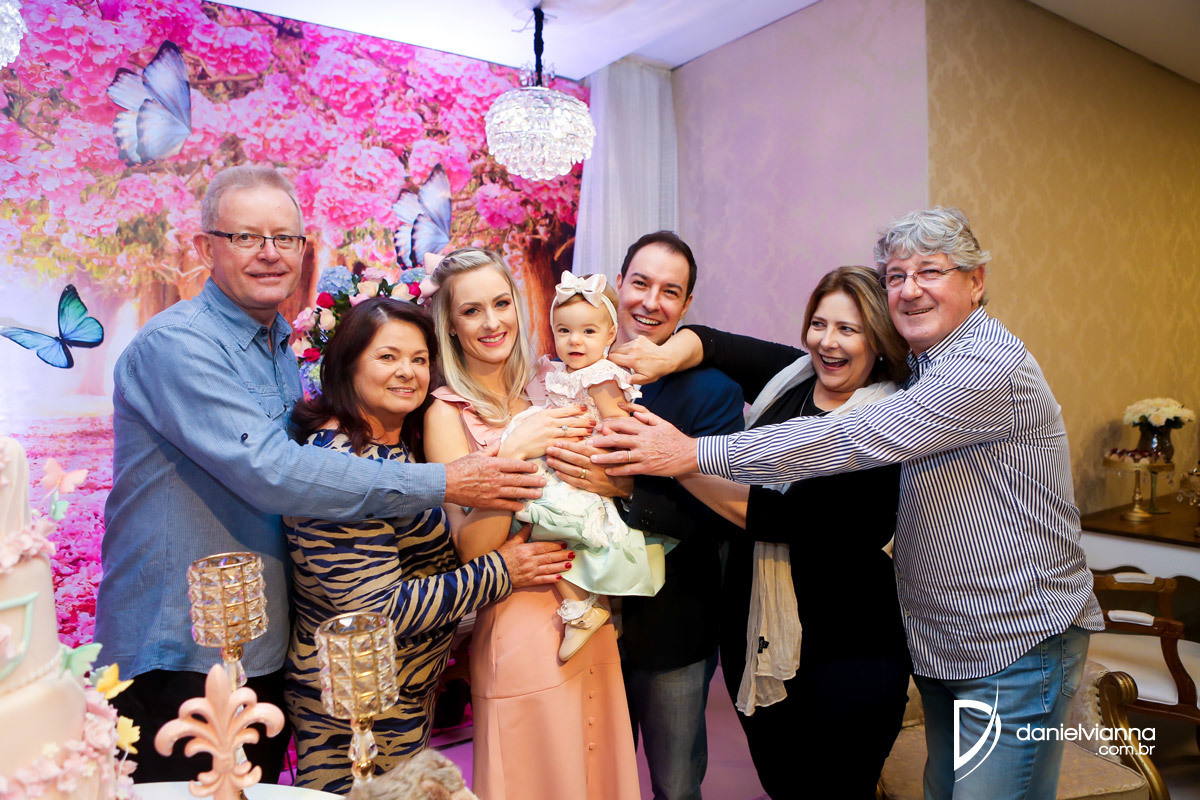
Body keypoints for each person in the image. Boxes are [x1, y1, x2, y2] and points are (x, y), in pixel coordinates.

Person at [591, 208, 1104, 800]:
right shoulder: (916, 362)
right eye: (896, 276)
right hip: (943, 637)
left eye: (930, 272)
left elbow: (850, 438)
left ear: (976, 281)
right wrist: (665, 354)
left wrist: (688, 454)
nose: (910, 289)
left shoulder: (982, 369)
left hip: (1013, 637)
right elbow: (723, 344)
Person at [96, 165, 546, 783]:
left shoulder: (278, 345)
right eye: (246, 237)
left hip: (266, 647)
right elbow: (272, 471)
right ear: (205, 247)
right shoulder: (178, 345)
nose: (269, 253)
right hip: (180, 647)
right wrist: (449, 485)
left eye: (285, 238)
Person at [622, 266, 909, 798]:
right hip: (756, 642)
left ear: (878, 340)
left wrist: (679, 460)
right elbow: (710, 342)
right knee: (782, 785)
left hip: (848, 655)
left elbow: (787, 519)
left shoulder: (889, 420)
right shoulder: (793, 376)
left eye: (848, 329)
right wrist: (660, 357)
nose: (827, 342)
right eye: (818, 323)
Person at [282, 297, 571, 793]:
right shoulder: (336, 465)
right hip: (353, 712)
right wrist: (502, 571)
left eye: (419, 359)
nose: (407, 372)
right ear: (348, 365)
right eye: (387, 356)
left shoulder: (398, 447)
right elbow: (378, 611)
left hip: (402, 694)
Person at [422, 248, 641, 800]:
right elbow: (473, 551)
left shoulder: (555, 380)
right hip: (519, 627)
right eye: (471, 311)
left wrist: (616, 484)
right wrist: (514, 452)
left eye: (501, 304)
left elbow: (621, 474)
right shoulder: (446, 414)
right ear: (450, 324)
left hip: (591, 613)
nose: (491, 322)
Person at [546, 231, 743, 800]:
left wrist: (629, 489)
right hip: (580, 619)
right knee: (592, 781)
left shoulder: (713, 391)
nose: (651, 301)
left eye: (670, 291)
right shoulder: (573, 371)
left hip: (671, 625)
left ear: (686, 305)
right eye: (640, 283)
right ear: (619, 285)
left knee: (674, 784)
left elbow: (718, 516)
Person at [513, 272, 668, 662]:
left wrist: (591, 448)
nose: (575, 341)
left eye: (587, 331)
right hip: (558, 457)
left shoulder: (602, 376)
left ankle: (588, 609)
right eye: (564, 331)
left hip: (586, 463)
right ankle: (593, 607)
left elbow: (619, 427)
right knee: (540, 529)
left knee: (557, 528)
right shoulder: (556, 374)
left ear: (610, 333)